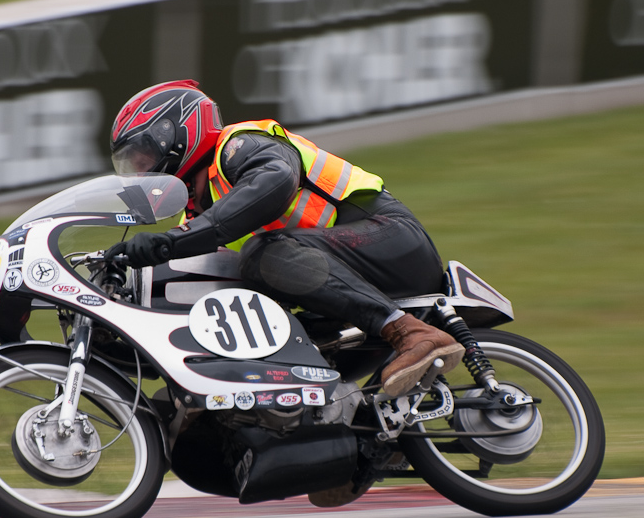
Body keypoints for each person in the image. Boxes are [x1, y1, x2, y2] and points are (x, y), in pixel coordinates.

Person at [108, 79, 464, 397]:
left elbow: (274, 182)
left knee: (264, 253)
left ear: (177, 134)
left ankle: (411, 332)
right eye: (131, 164)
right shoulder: (197, 211)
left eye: (144, 155)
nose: (140, 171)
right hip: (334, 274)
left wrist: (173, 239)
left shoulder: (239, 144)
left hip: (390, 240)